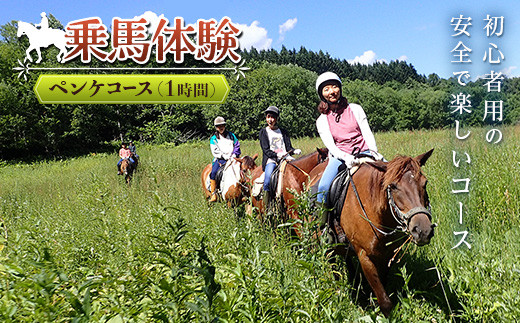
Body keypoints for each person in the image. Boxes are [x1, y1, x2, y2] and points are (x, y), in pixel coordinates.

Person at [315, 71, 384, 206]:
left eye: (335, 87)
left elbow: (367, 133)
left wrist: (374, 152)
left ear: (340, 88)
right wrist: (347, 157)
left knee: (395, 178)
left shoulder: (355, 109)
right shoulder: (322, 120)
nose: (332, 91)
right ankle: (321, 224)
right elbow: (331, 147)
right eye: (326, 89)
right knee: (323, 187)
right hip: (340, 156)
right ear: (322, 94)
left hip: (364, 151)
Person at [259, 106, 301, 204]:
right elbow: (265, 149)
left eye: (273, 117)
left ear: (277, 119)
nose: (270, 120)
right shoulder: (263, 132)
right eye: (268, 117)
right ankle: (267, 205)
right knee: (268, 179)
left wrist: (294, 151)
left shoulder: (283, 132)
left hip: (286, 158)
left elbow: (288, 147)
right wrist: (277, 155)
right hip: (271, 159)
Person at [209, 116, 241, 202]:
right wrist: (224, 157)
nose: (221, 127)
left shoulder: (231, 135)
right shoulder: (213, 139)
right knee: (213, 172)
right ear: (216, 128)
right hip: (221, 159)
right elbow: (215, 151)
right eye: (218, 126)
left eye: (222, 125)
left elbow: (237, 145)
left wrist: (234, 154)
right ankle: (213, 194)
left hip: (233, 158)